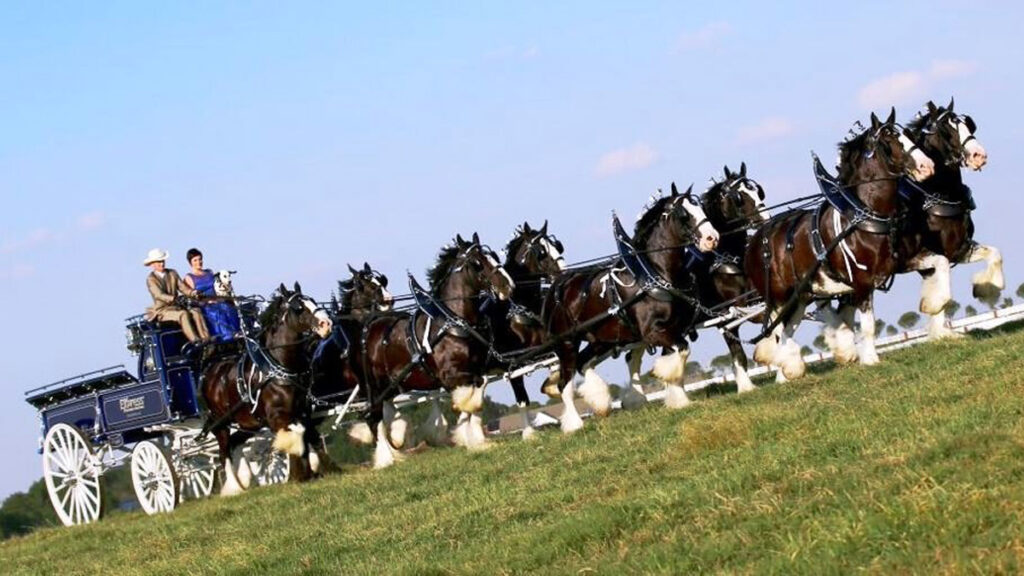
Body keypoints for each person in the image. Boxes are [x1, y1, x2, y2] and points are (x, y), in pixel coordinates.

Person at [143, 248, 210, 343]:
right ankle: (195, 341)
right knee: (183, 314)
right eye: (158, 262)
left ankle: (206, 339)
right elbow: (159, 295)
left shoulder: (172, 273)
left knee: (196, 311)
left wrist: (193, 293)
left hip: (177, 307)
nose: (161, 264)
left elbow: (182, 287)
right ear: (152, 264)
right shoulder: (151, 279)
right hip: (163, 311)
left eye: (162, 261)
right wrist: (173, 298)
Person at [182, 248, 241, 341]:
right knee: (216, 312)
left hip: (217, 300)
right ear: (190, 262)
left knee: (228, 307)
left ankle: (237, 332)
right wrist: (206, 301)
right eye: (195, 260)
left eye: (200, 259)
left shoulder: (209, 272)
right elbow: (191, 297)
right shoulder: (189, 277)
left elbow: (217, 287)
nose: (199, 262)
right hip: (204, 305)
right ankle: (226, 336)